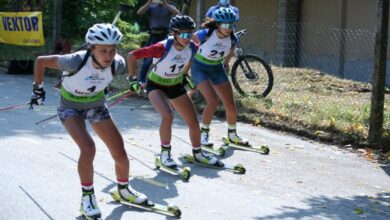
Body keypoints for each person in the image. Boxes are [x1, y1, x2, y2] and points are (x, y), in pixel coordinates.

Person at [30, 23, 148, 219]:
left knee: (119, 149)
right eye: (103, 51)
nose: (108, 55)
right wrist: (38, 89)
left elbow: (111, 74)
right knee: (88, 148)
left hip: (96, 106)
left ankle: (124, 190)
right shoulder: (74, 61)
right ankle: (87, 198)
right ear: (91, 48)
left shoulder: (117, 64)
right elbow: (41, 61)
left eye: (112, 50)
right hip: (70, 108)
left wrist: (133, 82)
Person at [127, 15, 219, 168]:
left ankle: (198, 153)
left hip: (175, 85)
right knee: (167, 115)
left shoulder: (192, 47)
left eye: (190, 34)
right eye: (183, 34)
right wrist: (133, 80)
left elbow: (190, 59)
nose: (187, 37)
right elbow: (132, 56)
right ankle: (165, 155)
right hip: (156, 85)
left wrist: (184, 75)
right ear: (174, 33)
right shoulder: (162, 47)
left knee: (193, 121)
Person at [191, 8, 248, 147]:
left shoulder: (233, 38)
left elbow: (230, 50)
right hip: (200, 68)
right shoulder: (205, 33)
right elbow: (188, 42)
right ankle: (203, 135)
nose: (229, 28)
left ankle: (233, 135)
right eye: (226, 25)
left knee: (230, 104)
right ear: (217, 24)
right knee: (212, 101)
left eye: (232, 25)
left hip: (216, 68)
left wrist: (226, 63)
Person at [137, 0, 180, 87]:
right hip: (153, 35)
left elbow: (177, 13)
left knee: (166, 58)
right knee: (148, 59)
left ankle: (164, 80)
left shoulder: (169, 6)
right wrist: (148, 2)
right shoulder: (152, 6)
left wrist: (166, 4)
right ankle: (141, 81)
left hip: (165, 36)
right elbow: (139, 12)